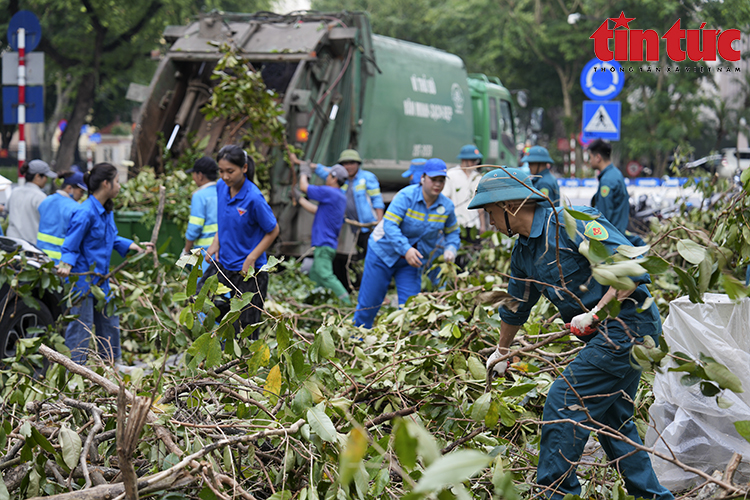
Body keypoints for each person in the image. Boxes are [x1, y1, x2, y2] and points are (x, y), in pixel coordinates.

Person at [469, 167, 672, 500]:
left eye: (490, 212)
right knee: (612, 423)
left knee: (564, 399)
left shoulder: (571, 222)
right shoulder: (523, 252)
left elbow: (632, 271)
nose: (489, 221)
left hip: (628, 326)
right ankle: (653, 497)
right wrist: (502, 350)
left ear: (510, 206)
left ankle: (555, 494)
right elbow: (516, 305)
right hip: (603, 337)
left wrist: (595, 313)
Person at [57, 163, 152, 365]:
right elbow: (70, 243)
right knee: (81, 327)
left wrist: (134, 246)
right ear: (106, 183)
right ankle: (74, 372)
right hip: (83, 281)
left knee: (110, 321)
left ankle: (111, 367)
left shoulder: (106, 211)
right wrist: (66, 264)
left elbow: (112, 238)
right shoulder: (85, 213)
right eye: (117, 181)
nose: (119, 186)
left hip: (102, 279)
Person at [354, 158, 460, 329]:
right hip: (383, 253)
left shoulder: (446, 206)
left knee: (411, 308)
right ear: (423, 178)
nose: (437, 184)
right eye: (433, 180)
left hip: (412, 261)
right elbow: (390, 225)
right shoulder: (406, 196)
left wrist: (451, 249)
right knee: (370, 303)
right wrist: (406, 249)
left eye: (441, 180)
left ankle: (406, 348)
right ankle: (356, 338)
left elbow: (453, 232)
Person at [201, 145, 280, 333]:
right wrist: (215, 243)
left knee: (246, 328)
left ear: (244, 168)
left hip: (249, 273)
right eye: (221, 171)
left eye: (230, 171)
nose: (225, 176)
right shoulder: (222, 187)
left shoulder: (253, 198)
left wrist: (252, 258)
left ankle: (240, 359)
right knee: (200, 298)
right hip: (225, 264)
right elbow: (225, 220)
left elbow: (273, 230)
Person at [291, 149, 384, 290]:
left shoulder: (366, 178)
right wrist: (306, 165)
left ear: (358, 164)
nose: (348, 166)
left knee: (372, 260)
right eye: (345, 164)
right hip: (356, 229)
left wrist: (379, 224)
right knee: (321, 273)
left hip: (369, 227)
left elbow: (377, 200)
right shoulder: (343, 186)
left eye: (352, 163)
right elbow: (326, 172)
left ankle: (358, 295)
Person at [296, 162, 350, 304]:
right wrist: (299, 199)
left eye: (328, 175)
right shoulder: (339, 196)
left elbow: (304, 187)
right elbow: (317, 211)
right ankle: (310, 305)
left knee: (325, 276)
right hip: (328, 244)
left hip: (324, 243)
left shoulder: (329, 192)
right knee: (315, 276)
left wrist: (304, 173)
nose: (326, 178)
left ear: (333, 178)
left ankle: (348, 304)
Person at [36, 171, 87, 263]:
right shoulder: (76, 208)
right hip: (62, 262)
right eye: (81, 191)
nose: (82, 195)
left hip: (40, 258)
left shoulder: (46, 201)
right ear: (69, 188)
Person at [6, 159, 57, 243]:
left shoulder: (15, 191)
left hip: (12, 243)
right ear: (37, 176)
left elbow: (7, 209)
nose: (46, 180)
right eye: (45, 177)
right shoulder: (40, 197)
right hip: (30, 245)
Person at [183, 156, 219, 272]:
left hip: (205, 252)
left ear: (200, 175)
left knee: (203, 287)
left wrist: (186, 251)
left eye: (194, 174)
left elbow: (195, 227)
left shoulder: (199, 196)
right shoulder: (223, 192)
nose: (193, 178)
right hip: (222, 250)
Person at [443, 145, 486, 232]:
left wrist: (483, 225)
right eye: (472, 160)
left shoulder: (477, 178)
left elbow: (480, 205)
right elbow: (446, 198)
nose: (475, 163)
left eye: (476, 161)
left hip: (474, 224)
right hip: (456, 223)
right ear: (463, 160)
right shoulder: (451, 175)